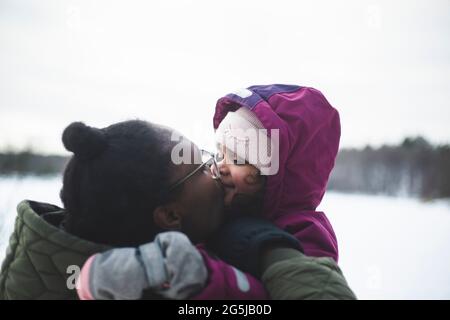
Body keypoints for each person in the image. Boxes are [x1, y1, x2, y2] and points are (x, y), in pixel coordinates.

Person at [212, 84, 341, 262]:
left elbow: (303, 284)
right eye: (220, 155)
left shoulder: (305, 235)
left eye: (238, 160)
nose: (220, 167)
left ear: (277, 176)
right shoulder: (222, 211)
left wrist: (212, 274)